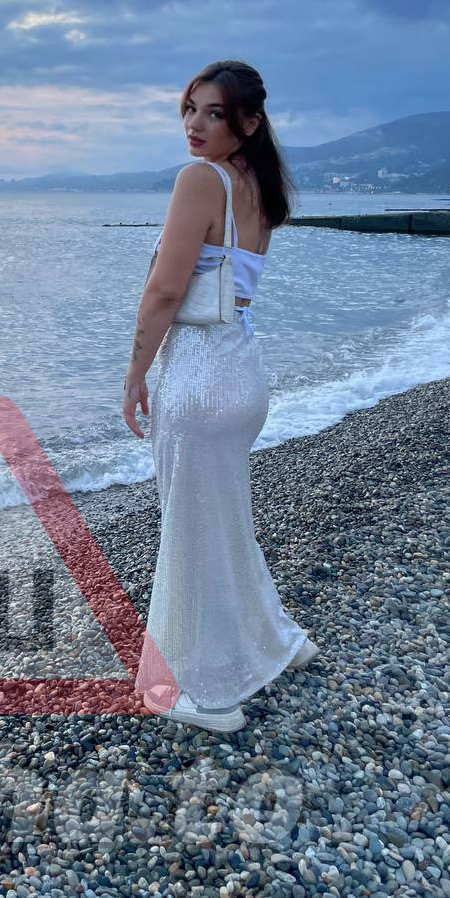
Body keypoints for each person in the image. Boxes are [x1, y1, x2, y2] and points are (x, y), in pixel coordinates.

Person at [122, 60, 318, 734]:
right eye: (190, 109)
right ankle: (278, 639)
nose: (195, 125)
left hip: (200, 381)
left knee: (192, 531)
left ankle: (208, 693)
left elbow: (165, 291)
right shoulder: (257, 184)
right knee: (225, 518)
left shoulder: (200, 180)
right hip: (243, 374)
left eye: (214, 113)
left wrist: (134, 374)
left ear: (249, 122)